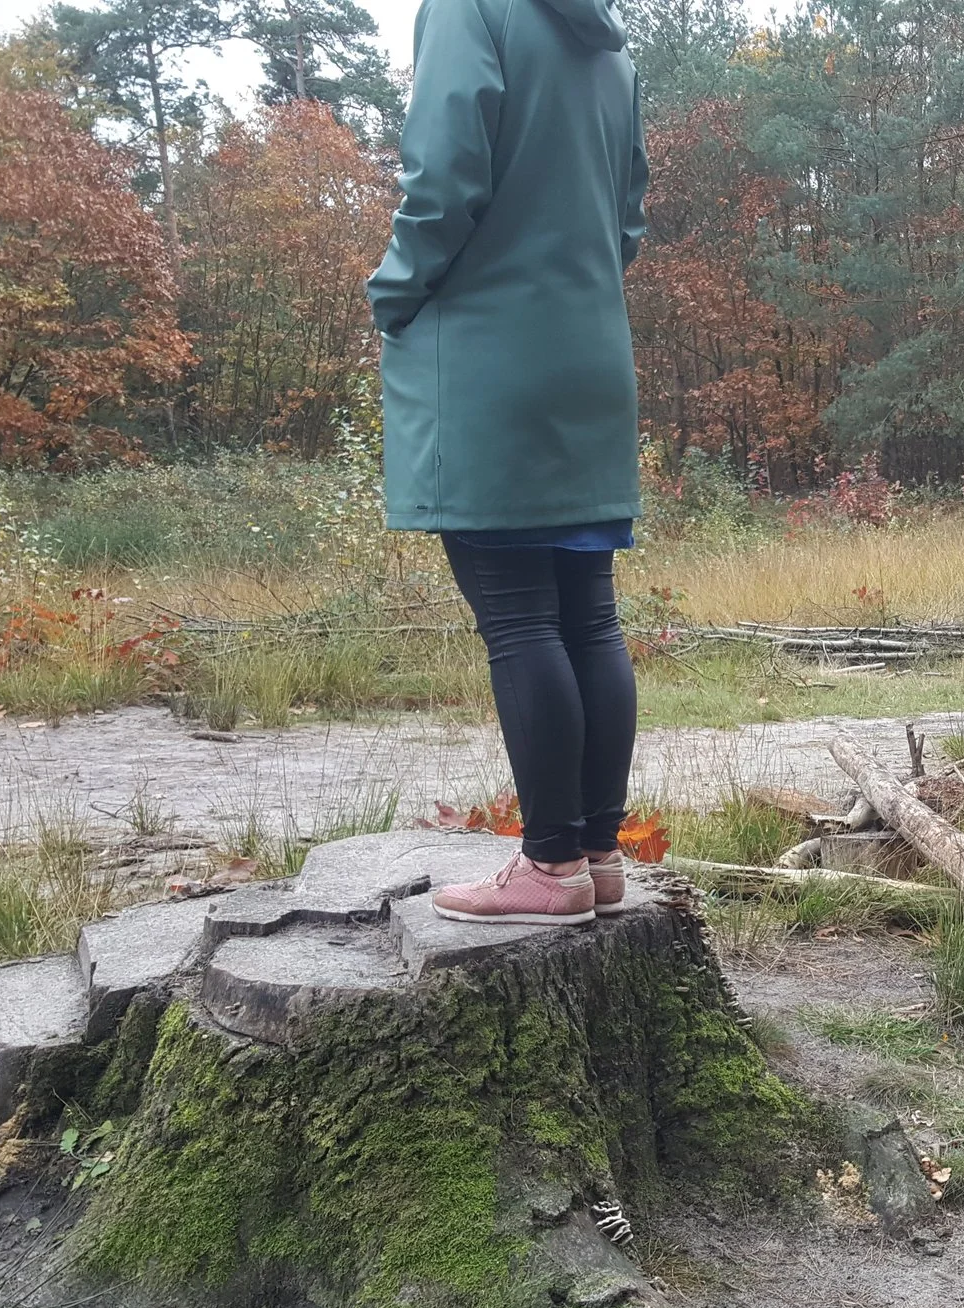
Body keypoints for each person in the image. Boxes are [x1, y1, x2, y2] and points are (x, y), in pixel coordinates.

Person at [366, 0, 649, 925]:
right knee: (588, 618)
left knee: (520, 622)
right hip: (589, 353)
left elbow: (444, 178)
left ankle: (548, 867)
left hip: (490, 353)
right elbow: (628, 218)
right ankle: (597, 856)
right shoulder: (607, 46)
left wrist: (396, 291)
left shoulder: (469, 10)